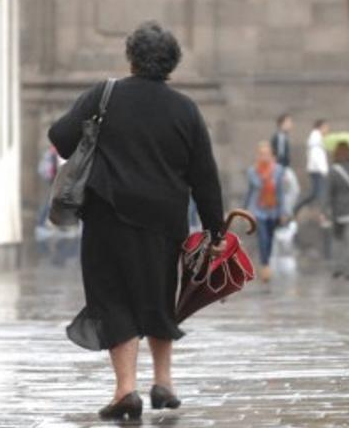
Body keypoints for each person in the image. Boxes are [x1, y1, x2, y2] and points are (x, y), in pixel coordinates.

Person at [48, 21, 224, 420]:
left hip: (108, 216)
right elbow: (204, 177)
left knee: (113, 297)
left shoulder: (104, 95)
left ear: (131, 57)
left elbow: (60, 137)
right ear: (172, 63)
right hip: (165, 223)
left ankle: (125, 389)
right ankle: (164, 381)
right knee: (160, 295)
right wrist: (215, 231)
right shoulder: (186, 110)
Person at [244, 142, 289, 284]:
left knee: (269, 239)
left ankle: (266, 261)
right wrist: (244, 211)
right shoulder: (252, 171)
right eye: (261, 154)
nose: (264, 156)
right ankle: (265, 266)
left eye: (267, 154)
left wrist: (283, 212)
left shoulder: (278, 170)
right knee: (262, 238)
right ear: (258, 155)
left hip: (274, 210)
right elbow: (250, 191)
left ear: (271, 155)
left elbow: (281, 192)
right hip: (258, 210)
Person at [322, 142, 349, 280]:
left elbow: (328, 192)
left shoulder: (333, 170)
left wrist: (324, 209)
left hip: (338, 211)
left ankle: (337, 268)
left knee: (337, 240)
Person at [293, 119, 329, 216]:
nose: (327, 130)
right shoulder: (316, 138)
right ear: (321, 127)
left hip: (316, 170)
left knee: (314, 194)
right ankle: (323, 216)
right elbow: (316, 156)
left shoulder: (316, 138)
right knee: (321, 194)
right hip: (318, 170)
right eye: (326, 127)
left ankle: (296, 208)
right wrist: (323, 171)